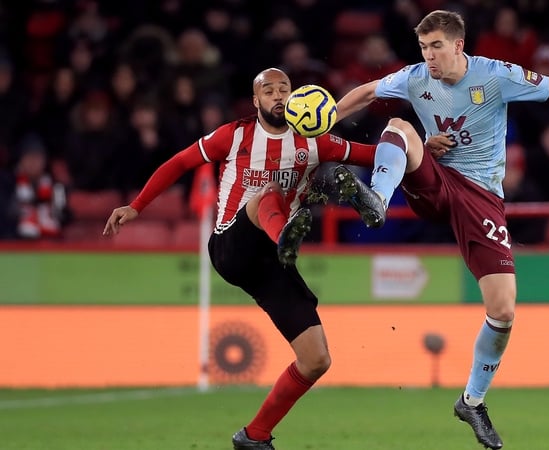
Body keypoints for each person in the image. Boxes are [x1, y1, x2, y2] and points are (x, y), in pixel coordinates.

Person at [331, 10, 549, 449]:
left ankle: (472, 400)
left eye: (436, 47)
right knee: (398, 126)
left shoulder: (495, 76)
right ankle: (377, 199)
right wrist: (326, 117)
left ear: (458, 45)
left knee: (503, 310)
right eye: (424, 47)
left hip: (480, 196)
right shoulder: (414, 78)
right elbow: (370, 91)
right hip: (434, 179)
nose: (429, 57)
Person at [103, 68, 378, 450]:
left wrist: (420, 153)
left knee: (316, 359)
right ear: (256, 100)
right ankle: (294, 225)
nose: (278, 96)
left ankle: (254, 436)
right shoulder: (234, 135)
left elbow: (375, 154)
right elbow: (180, 163)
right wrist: (137, 206)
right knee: (265, 192)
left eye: (285, 90)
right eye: (270, 91)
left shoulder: (315, 140)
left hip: (272, 264)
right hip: (231, 245)